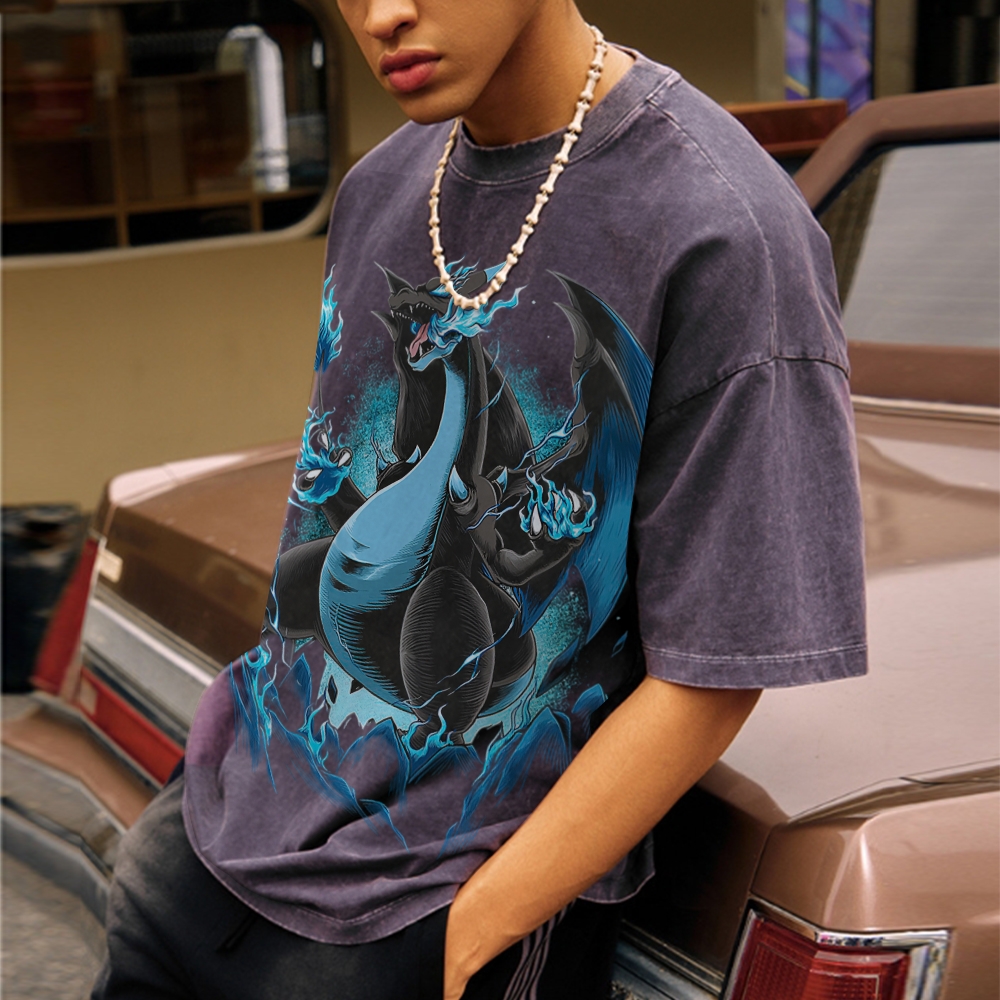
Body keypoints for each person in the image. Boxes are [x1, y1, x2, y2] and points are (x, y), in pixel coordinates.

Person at [93, 1, 867, 998]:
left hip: (419, 917)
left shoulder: (722, 229)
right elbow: (336, 507)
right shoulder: (380, 186)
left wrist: (473, 933)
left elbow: (715, 672)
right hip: (202, 845)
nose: (382, 15)